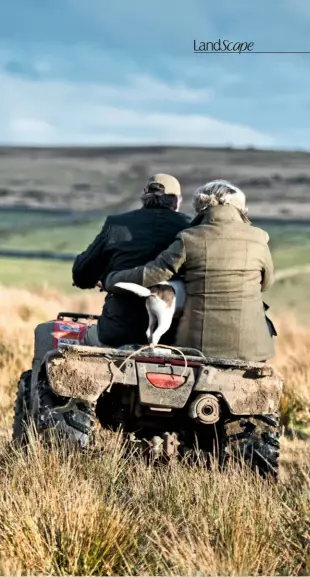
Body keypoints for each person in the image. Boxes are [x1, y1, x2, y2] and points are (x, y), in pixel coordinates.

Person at [105, 179, 275, 362]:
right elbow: (265, 284)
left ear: (200, 207)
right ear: (240, 208)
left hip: (197, 348)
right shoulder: (259, 237)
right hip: (253, 350)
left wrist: (112, 279)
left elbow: (152, 273)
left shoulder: (189, 237)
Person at [72, 174, 191, 347]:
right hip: (176, 337)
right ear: (177, 202)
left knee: (79, 342)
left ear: (145, 197)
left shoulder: (117, 224)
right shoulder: (192, 228)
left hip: (118, 332)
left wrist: (105, 279)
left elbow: (82, 272)